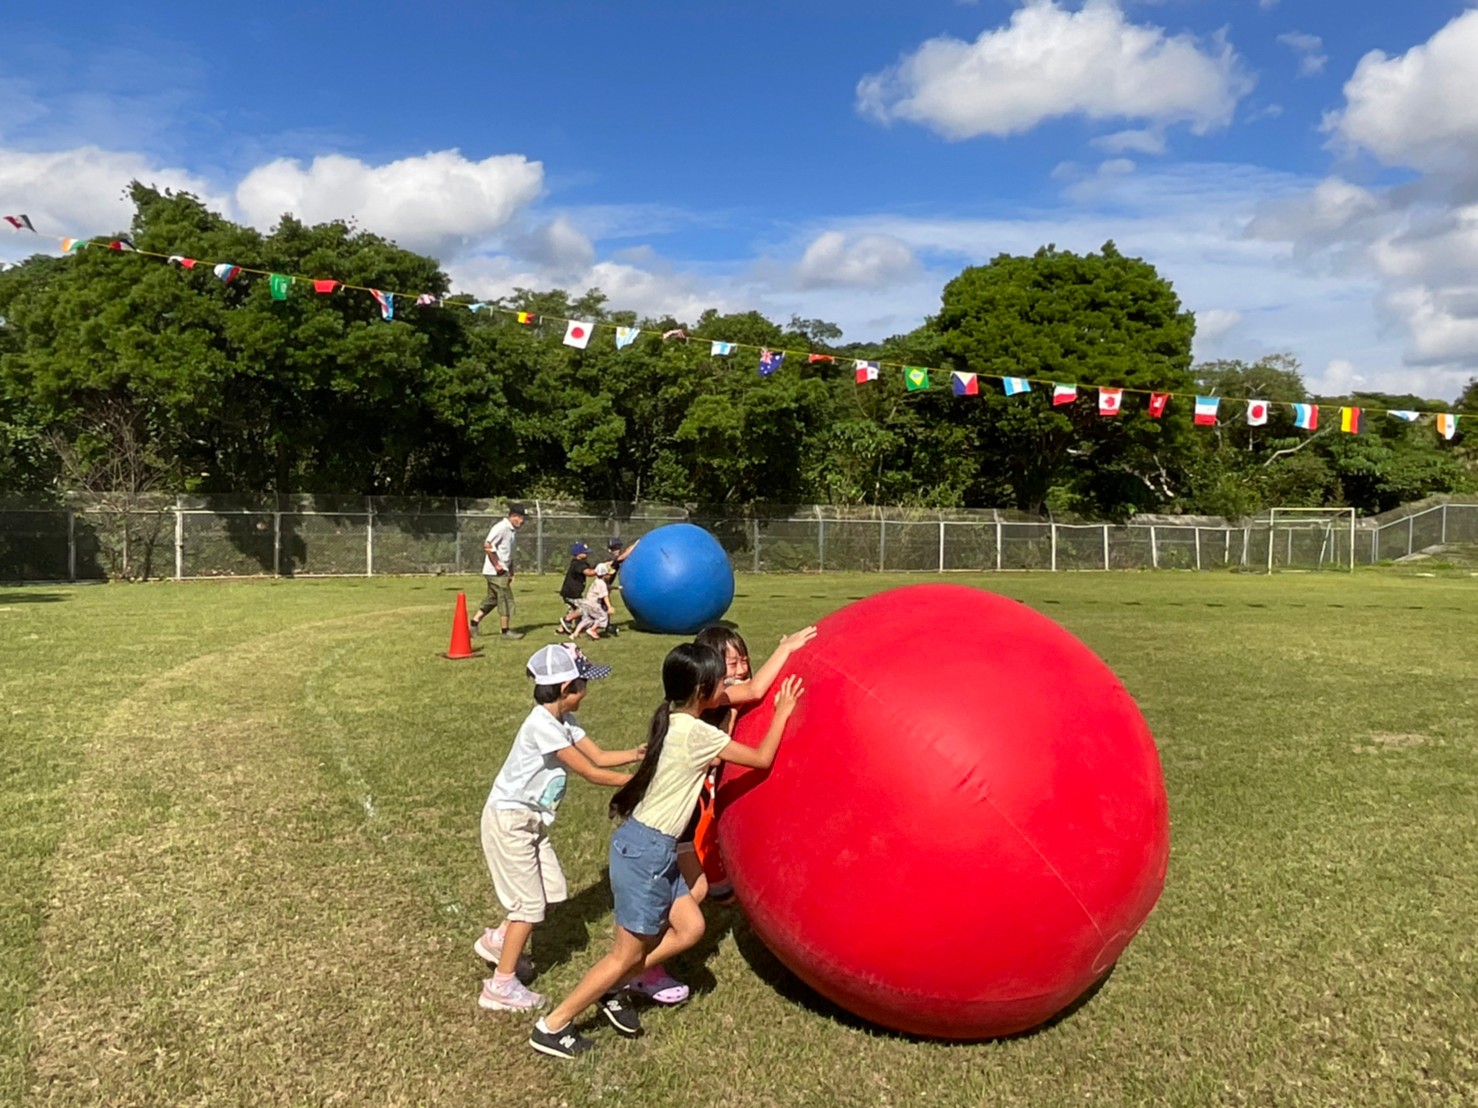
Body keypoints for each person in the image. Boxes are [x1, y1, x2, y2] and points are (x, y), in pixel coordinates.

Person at [529, 642, 806, 1059]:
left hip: (653, 847)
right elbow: (762, 759)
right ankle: (553, 1025)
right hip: (646, 853)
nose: (727, 684)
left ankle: (617, 986)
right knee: (624, 955)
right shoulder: (698, 734)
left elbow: (742, 696)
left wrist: (785, 648)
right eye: (720, 679)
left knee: (691, 927)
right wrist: (782, 713)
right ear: (701, 689)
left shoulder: (674, 718)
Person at [476, 644, 642, 1012]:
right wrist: (639, 781)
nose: (588, 690)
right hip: (511, 821)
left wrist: (636, 755)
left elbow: (598, 756)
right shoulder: (542, 726)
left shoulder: (564, 721)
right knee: (529, 907)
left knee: (552, 890)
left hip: (531, 822)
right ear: (568, 688)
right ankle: (500, 987)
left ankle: (500, 941)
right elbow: (590, 772)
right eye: (585, 683)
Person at [626, 626, 768, 1006]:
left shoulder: (700, 702)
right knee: (674, 899)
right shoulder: (712, 704)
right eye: (730, 664)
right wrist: (787, 650)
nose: (739, 669)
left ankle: (641, 960)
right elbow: (753, 696)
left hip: (677, 823)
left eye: (743, 660)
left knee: (698, 889)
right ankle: (635, 968)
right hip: (668, 827)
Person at [471, 503, 526, 640]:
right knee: (505, 598)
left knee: (493, 599)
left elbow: (508, 553)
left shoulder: (512, 531)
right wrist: (497, 566)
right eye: (521, 518)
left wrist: (511, 571)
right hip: (495, 572)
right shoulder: (501, 528)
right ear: (513, 516)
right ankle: (505, 631)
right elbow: (488, 545)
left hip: (503, 571)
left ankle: (474, 623)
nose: (523, 521)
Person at [557, 542, 596, 635]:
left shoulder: (578, 563)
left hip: (568, 592)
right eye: (585, 552)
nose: (587, 554)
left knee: (573, 610)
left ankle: (561, 629)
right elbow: (589, 573)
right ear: (578, 554)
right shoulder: (578, 564)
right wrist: (600, 570)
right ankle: (566, 619)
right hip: (572, 593)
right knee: (585, 608)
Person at [571, 562, 614, 640]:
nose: (610, 576)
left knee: (587, 619)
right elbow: (605, 596)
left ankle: (575, 634)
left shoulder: (596, 581)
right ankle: (592, 630)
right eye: (609, 574)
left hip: (587, 603)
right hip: (594, 604)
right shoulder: (602, 584)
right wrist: (609, 607)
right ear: (604, 574)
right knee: (603, 617)